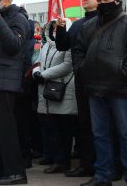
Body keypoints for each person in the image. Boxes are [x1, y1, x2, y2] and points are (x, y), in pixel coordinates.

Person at [74, 0, 127, 186]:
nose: (102, 4)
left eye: (106, 0)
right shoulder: (87, 27)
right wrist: (83, 69)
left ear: (117, 1)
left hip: (122, 89)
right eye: (99, 1)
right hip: (95, 88)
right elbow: (78, 51)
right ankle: (102, 175)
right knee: (100, 134)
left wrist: (123, 72)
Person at [0, 0, 31, 185]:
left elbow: (13, 46)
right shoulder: (0, 20)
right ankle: (0, 168)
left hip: (6, 81)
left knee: (6, 130)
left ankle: (16, 172)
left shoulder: (18, 18)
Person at [56, 0, 99, 177]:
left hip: (102, 79)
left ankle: (110, 165)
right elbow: (62, 45)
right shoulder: (78, 24)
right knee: (85, 123)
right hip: (81, 80)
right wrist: (60, 28)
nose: (85, 0)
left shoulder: (106, 21)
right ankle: (87, 163)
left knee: (104, 125)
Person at [32, 20, 77, 174]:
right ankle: (54, 157)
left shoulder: (69, 44)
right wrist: (36, 72)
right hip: (45, 90)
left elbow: (68, 65)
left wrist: (44, 75)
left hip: (63, 90)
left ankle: (63, 161)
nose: (55, 31)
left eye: (58, 28)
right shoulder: (46, 46)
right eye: (53, 29)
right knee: (50, 128)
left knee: (63, 130)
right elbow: (38, 62)